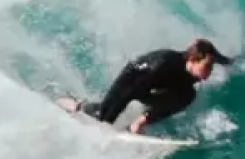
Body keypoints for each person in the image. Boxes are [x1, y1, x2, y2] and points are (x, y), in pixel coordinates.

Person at [70, 38, 229, 133]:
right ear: (193, 60)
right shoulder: (163, 63)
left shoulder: (191, 75)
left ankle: (137, 123)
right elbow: (129, 91)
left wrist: (233, 61)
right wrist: (110, 116)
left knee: (188, 95)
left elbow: (216, 55)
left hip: (151, 89)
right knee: (102, 118)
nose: (210, 71)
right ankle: (76, 105)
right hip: (133, 78)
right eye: (207, 66)